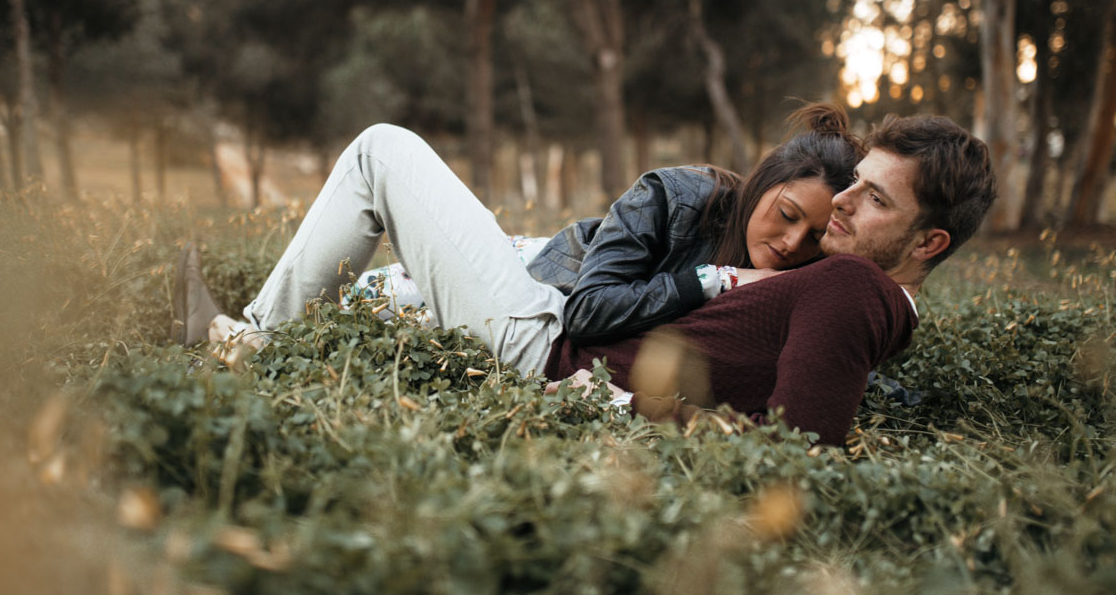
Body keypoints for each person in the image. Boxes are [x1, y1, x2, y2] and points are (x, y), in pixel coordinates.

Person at [173, 104, 862, 381]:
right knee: (379, 172)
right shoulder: (681, 196)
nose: (792, 241)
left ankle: (241, 336)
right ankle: (250, 337)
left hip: (529, 303)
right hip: (543, 283)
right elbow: (589, 310)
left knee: (377, 263)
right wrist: (711, 280)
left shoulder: (809, 271)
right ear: (767, 178)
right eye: (786, 212)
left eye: (812, 234)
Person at [545, 114, 997, 444]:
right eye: (855, 181)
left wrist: (620, 405)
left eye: (875, 198)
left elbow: (795, 443)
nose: (842, 200)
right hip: (551, 293)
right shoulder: (838, 281)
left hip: (544, 348)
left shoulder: (852, 284)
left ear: (926, 245)